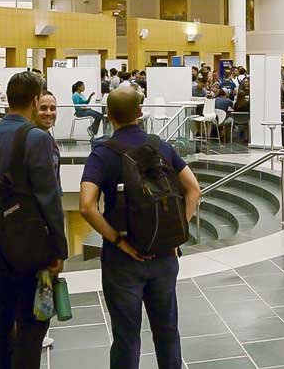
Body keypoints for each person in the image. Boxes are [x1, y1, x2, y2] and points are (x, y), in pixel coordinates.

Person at [79, 87, 200, 369]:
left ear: (108, 116)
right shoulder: (161, 147)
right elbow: (193, 190)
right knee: (168, 333)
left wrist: (118, 241)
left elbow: (86, 205)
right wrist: (176, 234)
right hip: (164, 256)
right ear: (140, 113)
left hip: (123, 261)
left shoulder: (102, 154)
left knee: (126, 337)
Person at [0, 72, 67, 369]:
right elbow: (49, 198)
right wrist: (58, 249)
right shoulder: (37, 139)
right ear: (36, 100)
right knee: (31, 326)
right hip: (27, 250)